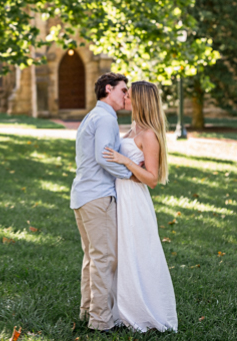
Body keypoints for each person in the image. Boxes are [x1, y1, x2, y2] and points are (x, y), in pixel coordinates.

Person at [103, 81, 178, 332]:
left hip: (135, 201)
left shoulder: (148, 135)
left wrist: (125, 161)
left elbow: (153, 179)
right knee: (122, 253)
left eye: (129, 95)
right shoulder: (134, 128)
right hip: (121, 196)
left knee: (138, 253)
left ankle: (145, 312)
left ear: (141, 100)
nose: (124, 97)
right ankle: (123, 309)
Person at [69, 72, 133, 332]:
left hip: (82, 196)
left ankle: (87, 312)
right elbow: (104, 157)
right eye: (123, 90)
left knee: (93, 258)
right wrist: (131, 174)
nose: (126, 96)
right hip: (97, 197)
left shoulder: (92, 116)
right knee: (104, 259)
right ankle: (101, 321)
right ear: (108, 89)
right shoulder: (106, 117)